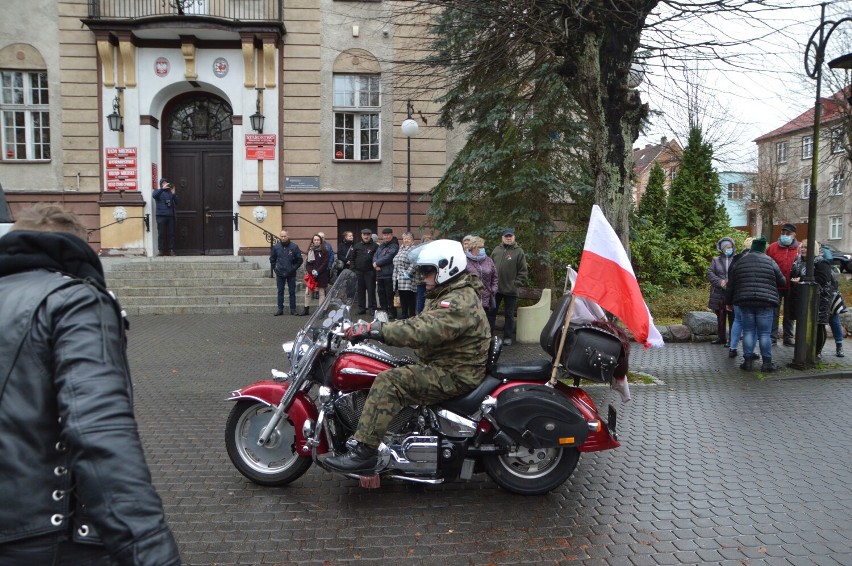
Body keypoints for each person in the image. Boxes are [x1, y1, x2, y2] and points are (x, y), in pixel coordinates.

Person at [0, 204, 181, 565]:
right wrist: (151, 551)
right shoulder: (75, 301)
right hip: (55, 540)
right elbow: (99, 431)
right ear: (79, 250)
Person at [323, 239, 491, 473]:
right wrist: (376, 327)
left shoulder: (457, 301)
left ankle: (365, 453)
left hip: (454, 373)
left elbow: (420, 330)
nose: (423, 276)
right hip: (444, 364)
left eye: (427, 271)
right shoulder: (451, 292)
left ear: (446, 268)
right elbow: (419, 322)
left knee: (388, 382)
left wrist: (375, 330)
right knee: (384, 365)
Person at [725, 237, 786, 372]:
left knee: (748, 331)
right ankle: (767, 363)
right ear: (763, 248)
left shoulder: (740, 261)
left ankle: (747, 362)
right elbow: (782, 281)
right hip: (766, 302)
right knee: (764, 333)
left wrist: (728, 302)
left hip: (745, 302)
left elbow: (731, 285)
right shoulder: (770, 261)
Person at [790, 240, 837, 361]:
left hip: (820, 298)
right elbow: (793, 274)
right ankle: (805, 349)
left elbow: (823, 278)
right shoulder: (798, 261)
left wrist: (802, 279)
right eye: (802, 247)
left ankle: (817, 352)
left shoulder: (821, 262)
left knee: (819, 324)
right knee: (804, 324)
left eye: (806, 247)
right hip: (802, 298)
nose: (803, 249)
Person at [489, 227, 528, 346]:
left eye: (510, 236)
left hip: (510, 290)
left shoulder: (518, 251)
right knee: (491, 313)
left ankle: (507, 337)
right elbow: (489, 266)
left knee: (509, 314)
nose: (508, 238)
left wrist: (516, 284)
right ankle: (488, 335)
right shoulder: (496, 250)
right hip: (496, 289)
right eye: (506, 236)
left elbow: (523, 271)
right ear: (502, 238)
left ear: (514, 237)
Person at [766, 223, 800, 346]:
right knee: (773, 312)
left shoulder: (799, 248)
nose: (785, 235)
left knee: (790, 312)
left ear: (794, 235)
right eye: (783, 233)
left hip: (793, 286)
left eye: (788, 234)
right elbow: (766, 264)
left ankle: (788, 337)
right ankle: (772, 337)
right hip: (776, 285)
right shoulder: (772, 247)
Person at [465, 235, 499, 329]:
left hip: (486, 299)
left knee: (486, 325)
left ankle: (488, 342)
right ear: (473, 248)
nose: (482, 249)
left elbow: (495, 277)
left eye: (483, 247)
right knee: (473, 325)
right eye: (480, 247)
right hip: (471, 300)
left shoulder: (488, 260)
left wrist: (493, 290)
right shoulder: (465, 261)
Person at [728, 236, 754, 359]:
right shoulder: (754, 260)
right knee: (750, 326)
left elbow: (730, 283)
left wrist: (729, 300)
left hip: (737, 297)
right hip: (749, 297)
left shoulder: (735, 260)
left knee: (737, 321)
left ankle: (732, 348)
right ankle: (749, 352)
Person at [707, 237, 736, 345]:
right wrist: (720, 282)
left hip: (732, 293)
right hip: (719, 293)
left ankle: (732, 339)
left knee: (732, 317)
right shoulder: (716, 260)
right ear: (722, 248)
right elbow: (710, 274)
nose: (729, 249)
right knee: (720, 316)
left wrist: (729, 282)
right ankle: (721, 337)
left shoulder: (736, 259)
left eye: (731, 247)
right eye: (727, 247)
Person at [270, 229, 303, 316]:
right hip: (280, 273)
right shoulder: (276, 247)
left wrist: (293, 268)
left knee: (292, 291)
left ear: (288, 236)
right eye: (282, 236)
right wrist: (275, 269)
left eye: (285, 236)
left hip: (291, 273)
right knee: (280, 291)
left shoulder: (294, 247)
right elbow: (272, 259)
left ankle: (293, 309)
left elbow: (299, 260)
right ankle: (280, 309)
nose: (283, 238)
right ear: (280, 236)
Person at [374, 227, 399, 318]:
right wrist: (375, 264)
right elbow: (375, 255)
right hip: (380, 275)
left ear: (391, 235)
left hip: (389, 274)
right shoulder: (381, 246)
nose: (386, 237)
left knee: (389, 295)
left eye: (388, 235)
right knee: (381, 294)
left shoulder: (394, 246)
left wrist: (377, 263)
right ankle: (384, 311)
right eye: (384, 235)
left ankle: (392, 312)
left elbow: (389, 257)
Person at [352, 228, 378, 314]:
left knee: (371, 291)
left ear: (370, 235)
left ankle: (372, 309)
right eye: (364, 235)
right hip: (359, 272)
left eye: (368, 235)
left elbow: (377, 258)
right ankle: (361, 309)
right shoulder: (357, 246)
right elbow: (352, 258)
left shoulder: (375, 246)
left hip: (370, 272)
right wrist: (354, 270)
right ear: (361, 235)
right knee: (360, 291)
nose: (366, 236)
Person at [392, 231, 417, 319]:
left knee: (409, 297)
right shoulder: (401, 249)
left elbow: (414, 263)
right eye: (405, 238)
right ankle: (404, 314)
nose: (406, 240)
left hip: (408, 278)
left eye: (408, 239)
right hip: (399, 277)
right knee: (402, 297)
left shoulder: (414, 249)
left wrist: (407, 273)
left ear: (412, 240)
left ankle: (412, 316)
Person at [152, 178, 178, 256]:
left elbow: (177, 202)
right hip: (161, 216)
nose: (166, 183)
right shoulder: (158, 191)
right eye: (164, 182)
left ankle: (171, 250)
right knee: (161, 233)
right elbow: (154, 196)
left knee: (171, 233)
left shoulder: (170, 192)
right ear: (161, 184)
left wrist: (173, 194)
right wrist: (162, 189)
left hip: (170, 216)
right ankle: (161, 251)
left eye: (166, 182)